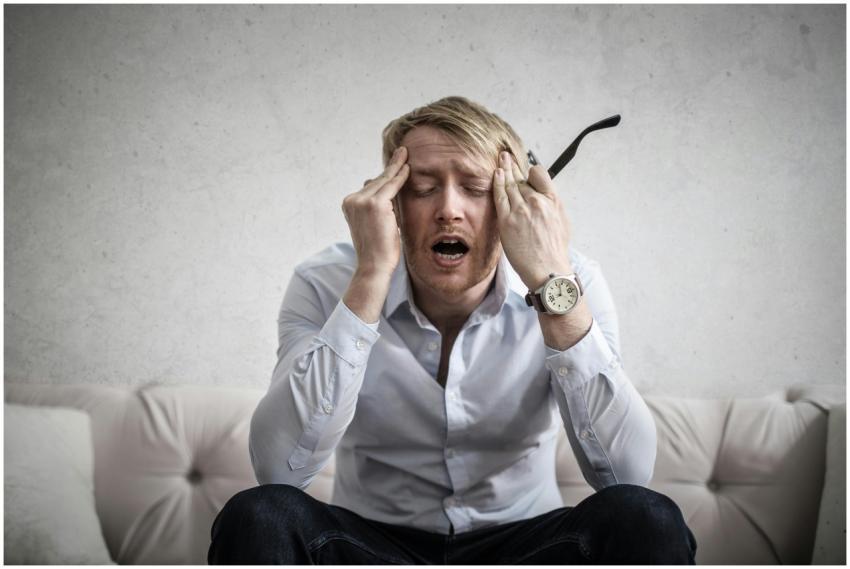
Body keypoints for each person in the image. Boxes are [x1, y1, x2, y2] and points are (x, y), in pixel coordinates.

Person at [208, 96, 696, 564]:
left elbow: (627, 475)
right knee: (260, 515)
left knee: (645, 518)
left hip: (525, 547)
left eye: (477, 188)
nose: (448, 210)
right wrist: (371, 276)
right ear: (392, 205)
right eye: (422, 189)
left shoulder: (571, 282)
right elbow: (278, 470)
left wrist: (551, 284)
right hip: (371, 546)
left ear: (514, 203)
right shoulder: (324, 282)